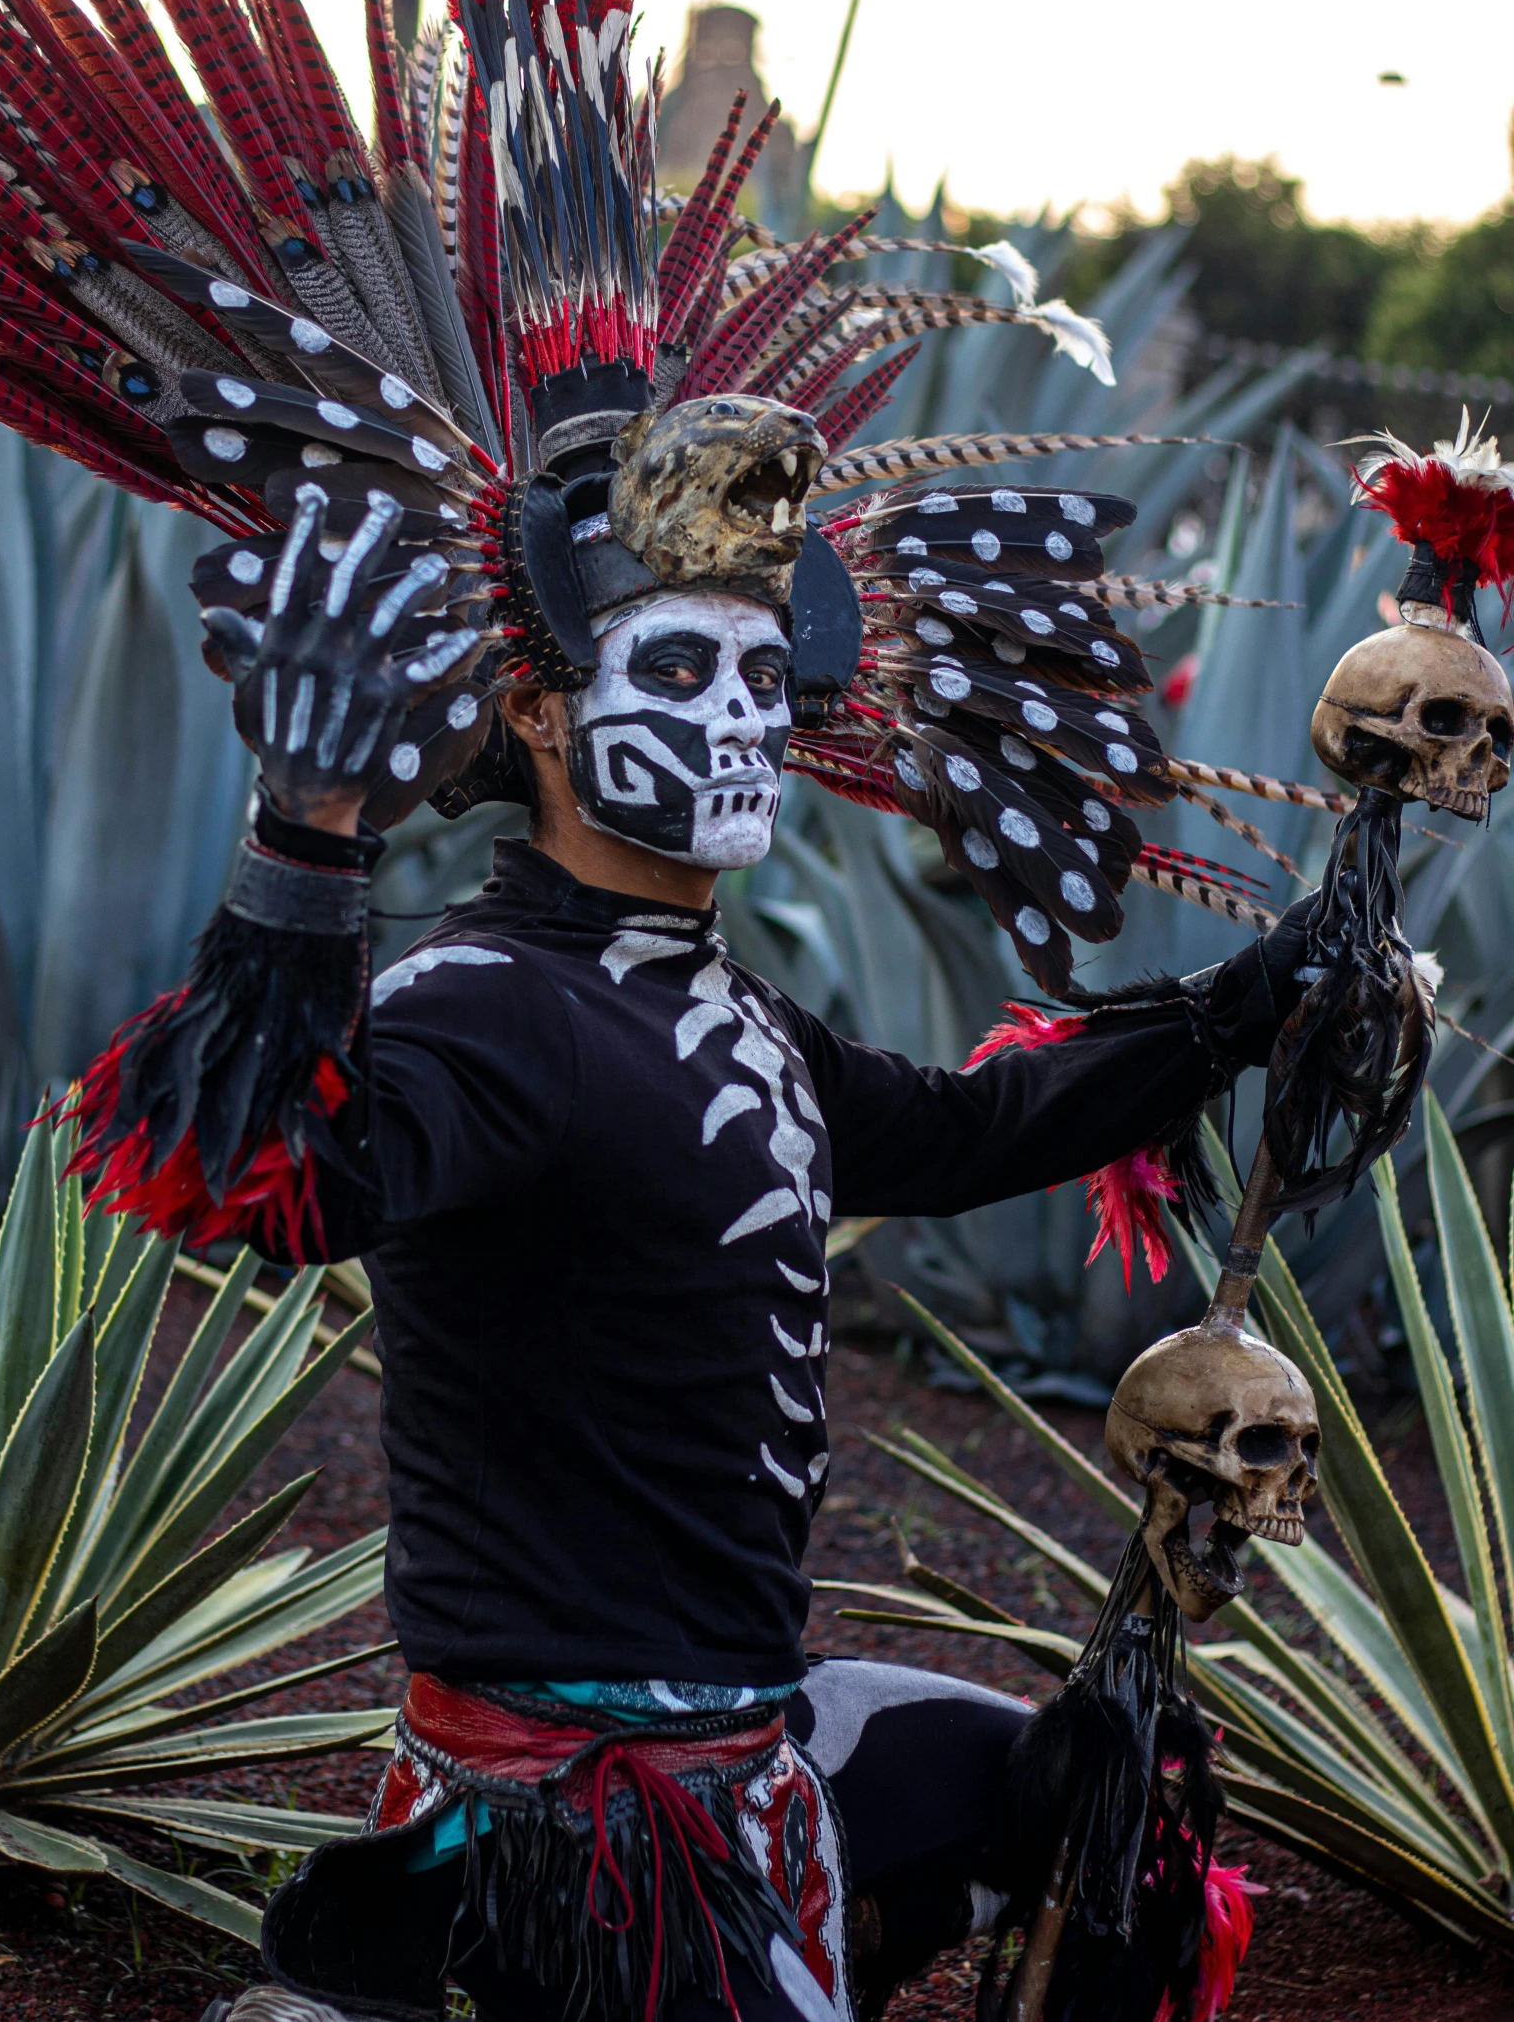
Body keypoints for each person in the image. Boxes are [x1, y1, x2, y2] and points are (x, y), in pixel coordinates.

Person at [162, 484, 1312, 2022]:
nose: (743, 725)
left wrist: (1240, 1009)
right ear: (539, 714)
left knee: (1107, 1791)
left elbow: (967, 1130)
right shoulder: (482, 1002)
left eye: (767, 682)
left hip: (746, 1732)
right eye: (682, 674)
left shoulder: (723, 1008)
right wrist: (304, 834)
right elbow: (259, 1181)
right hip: (576, 1809)